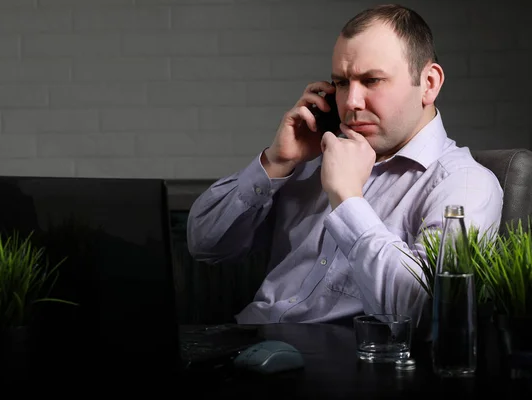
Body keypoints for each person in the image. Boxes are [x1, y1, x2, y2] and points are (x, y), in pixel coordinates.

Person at [186, 4, 503, 330]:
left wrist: (348, 199)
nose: (351, 102)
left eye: (373, 80)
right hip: (249, 342)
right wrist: (277, 162)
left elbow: (426, 313)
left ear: (429, 83)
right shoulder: (311, 162)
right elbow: (205, 245)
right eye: (340, 82)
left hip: (343, 368)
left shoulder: (464, 186)